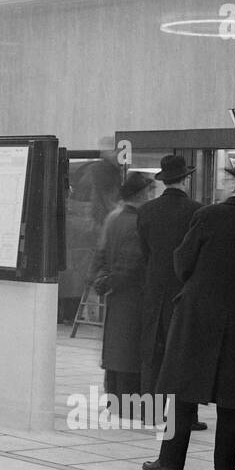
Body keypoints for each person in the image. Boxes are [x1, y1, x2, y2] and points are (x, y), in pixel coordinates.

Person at [142, 154, 235, 470]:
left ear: (233, 183)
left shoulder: (207, 216)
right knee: (232, 399)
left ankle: (170, 462)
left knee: (182, 390)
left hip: (196, 313)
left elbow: (182, 263)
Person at [137, 154, 204, 429]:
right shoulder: (196, 211)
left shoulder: (147, 211)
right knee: (185, 350)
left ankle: (150, 411)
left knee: (152, 349)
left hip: (154, 286)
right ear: (186, 180)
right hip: (184, 288)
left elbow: (145, 251)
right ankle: (185, 415)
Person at [91, 171, 154, 422]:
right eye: (150, 191)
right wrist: (114, 280)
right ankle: (128, 404)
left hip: (116, 293)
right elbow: (132, 261)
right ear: (142, 195)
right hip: (133, 294)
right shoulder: (137, 222)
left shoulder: (114, 218)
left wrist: (101, 281)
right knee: (130, 350)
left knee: (117, 347)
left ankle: (115, 400)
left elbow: (102, 252)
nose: (152, 196)